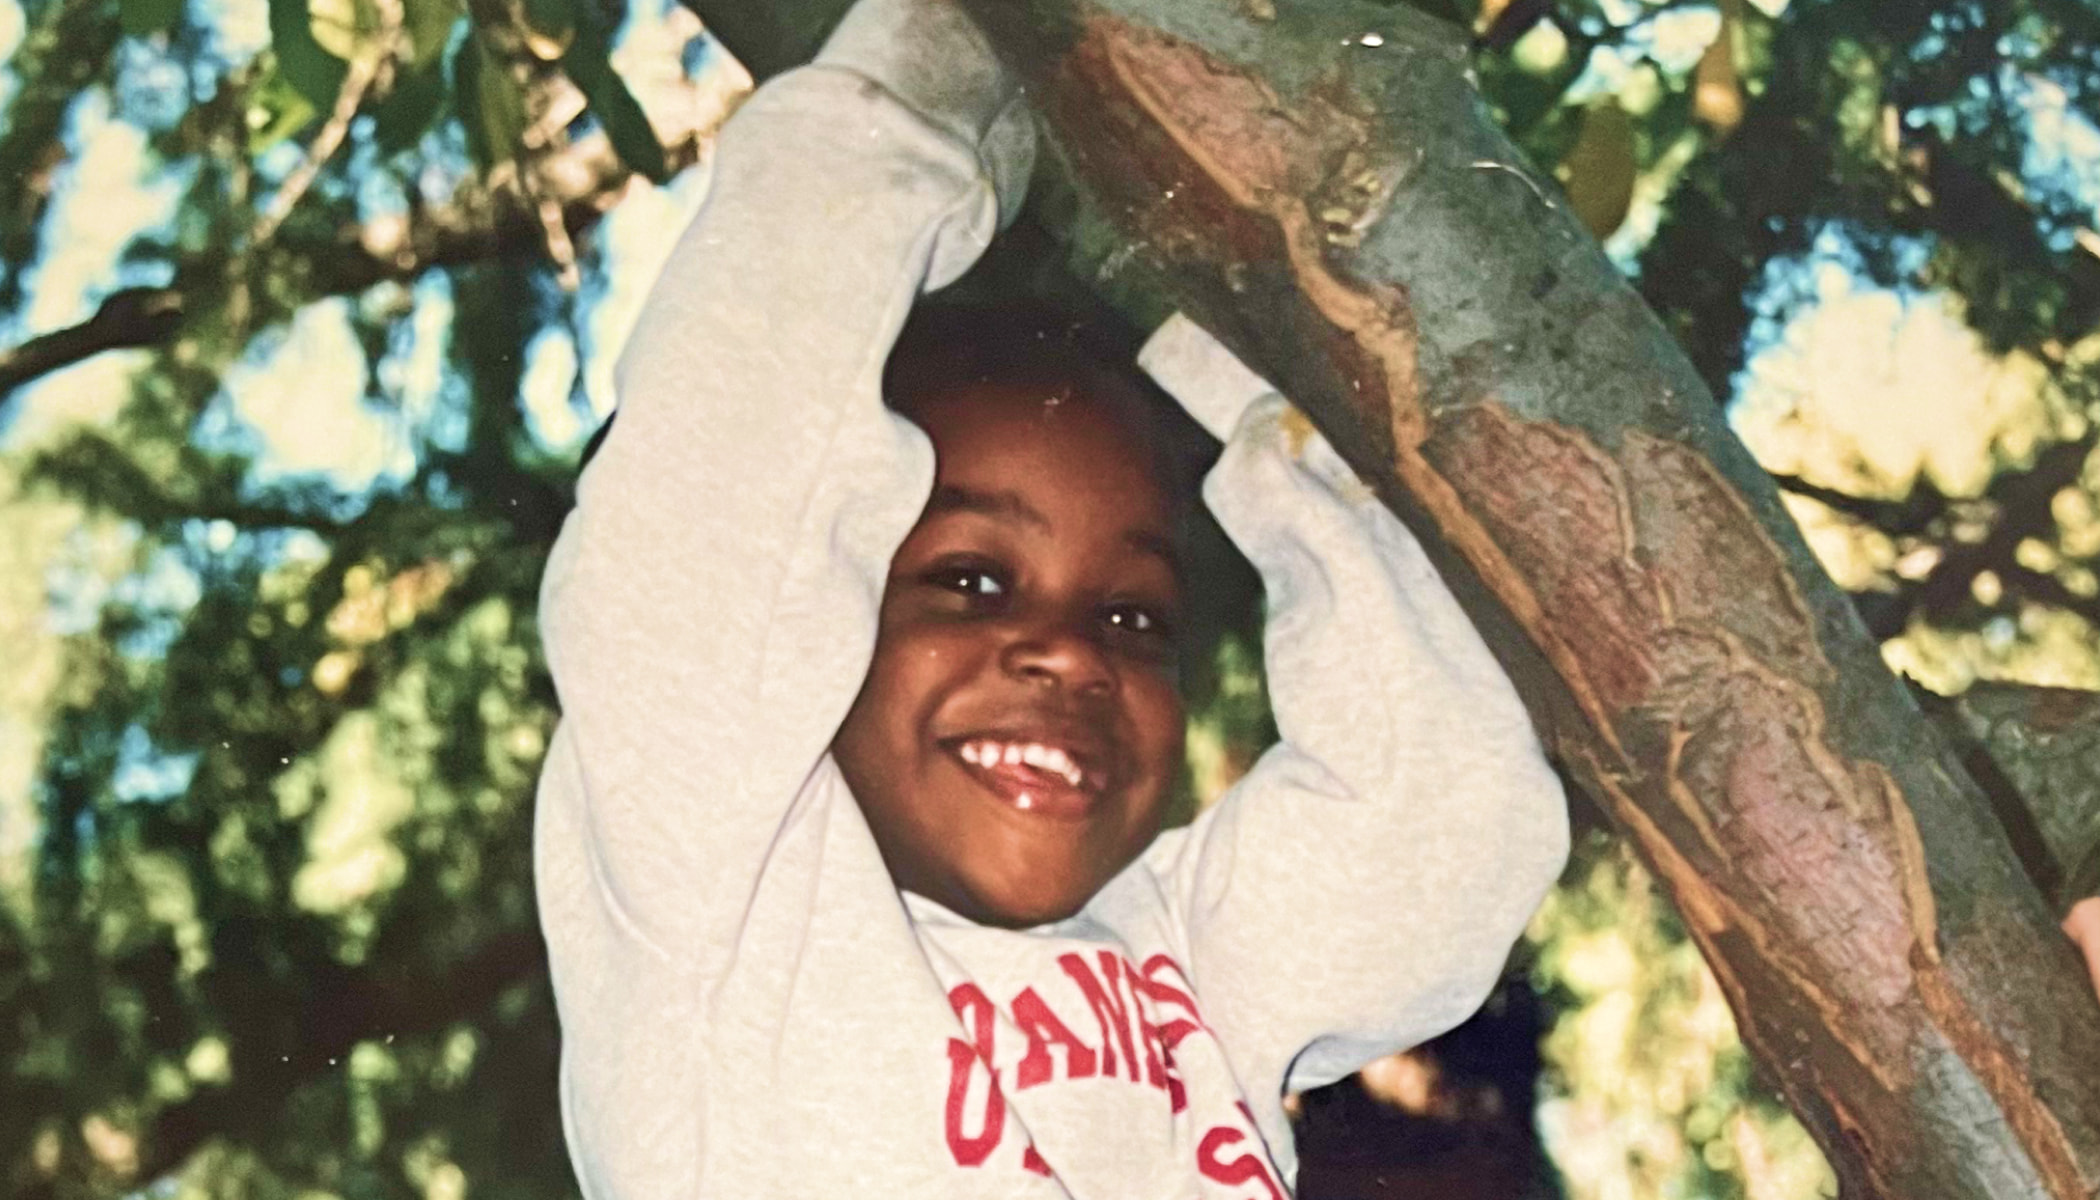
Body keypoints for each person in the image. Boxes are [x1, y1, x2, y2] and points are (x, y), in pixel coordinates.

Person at [530, 0, 1568, 1193]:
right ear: (811, 623)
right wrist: (925, 84)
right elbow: (704, 529)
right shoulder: (727, 902)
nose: (1074, 657)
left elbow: (1443, 810)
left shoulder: (1188, 964)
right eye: (970, 582)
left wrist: (1266, 395)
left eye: (1135, 617)